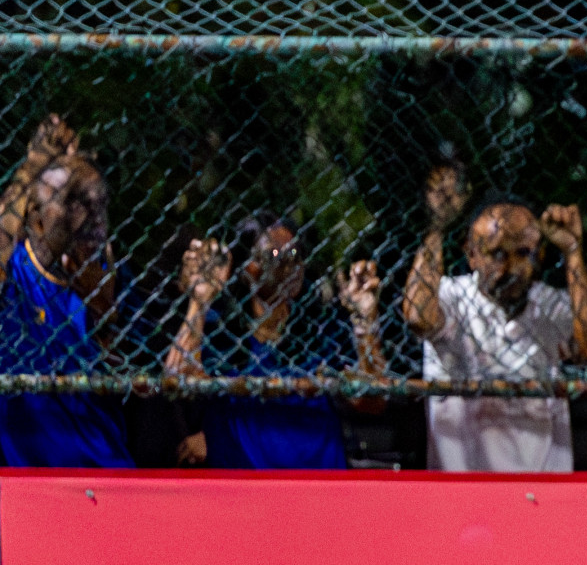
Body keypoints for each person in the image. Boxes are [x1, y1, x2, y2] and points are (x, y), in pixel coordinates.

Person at [402, 163, 587, 471]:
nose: (509, 266)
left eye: (522, 252)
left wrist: (573, 251)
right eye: (495, 253)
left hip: (541, 488)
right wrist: (438, 226)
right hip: (463, 487)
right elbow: (418, 316)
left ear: (538, 255)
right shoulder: (453, 296)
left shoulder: (546, 303)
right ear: (471, 254)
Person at [163, 214, 385, 469]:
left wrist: (365, 322)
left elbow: (372, 401)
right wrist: (199, 301)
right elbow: (177, 380)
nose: (287, 265)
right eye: (274, 255)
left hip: (317, 485)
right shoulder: (223, 331)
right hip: (244, 484)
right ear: (248, 269)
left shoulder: (319, 329)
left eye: (294, 256)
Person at [0, 115, 134, 467]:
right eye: (75, 201)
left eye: (99, 204)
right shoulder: (16, 270)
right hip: (32, 468)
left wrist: (102, 309)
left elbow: (124, 376)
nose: (93, 216)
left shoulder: (103, 272)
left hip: (104, 461)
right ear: (36, 214)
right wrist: (32, 168)